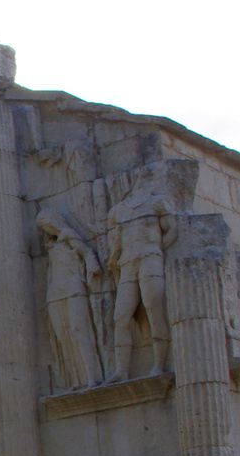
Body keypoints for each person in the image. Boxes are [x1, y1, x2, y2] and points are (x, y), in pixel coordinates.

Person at [105, 162, 177, 382]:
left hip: (150, 258)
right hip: (128, 263)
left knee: (154, 307)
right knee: (121, 316)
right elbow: (114, 240)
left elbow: (171, 230)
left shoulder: (158, 203)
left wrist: (156, 250)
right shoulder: (118, 210)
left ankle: (158, 364)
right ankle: (122, 370)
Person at [37, 207, 105, 390]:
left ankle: (92, 376)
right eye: (43, 227)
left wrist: (93, 268)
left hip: (73, 286)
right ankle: (76, 379)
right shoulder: (51, 245)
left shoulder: (68, 234)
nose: (46, 229)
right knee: (63, 336)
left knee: (79, 330)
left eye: (46, 224)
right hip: (55, 292)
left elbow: (87, 253)